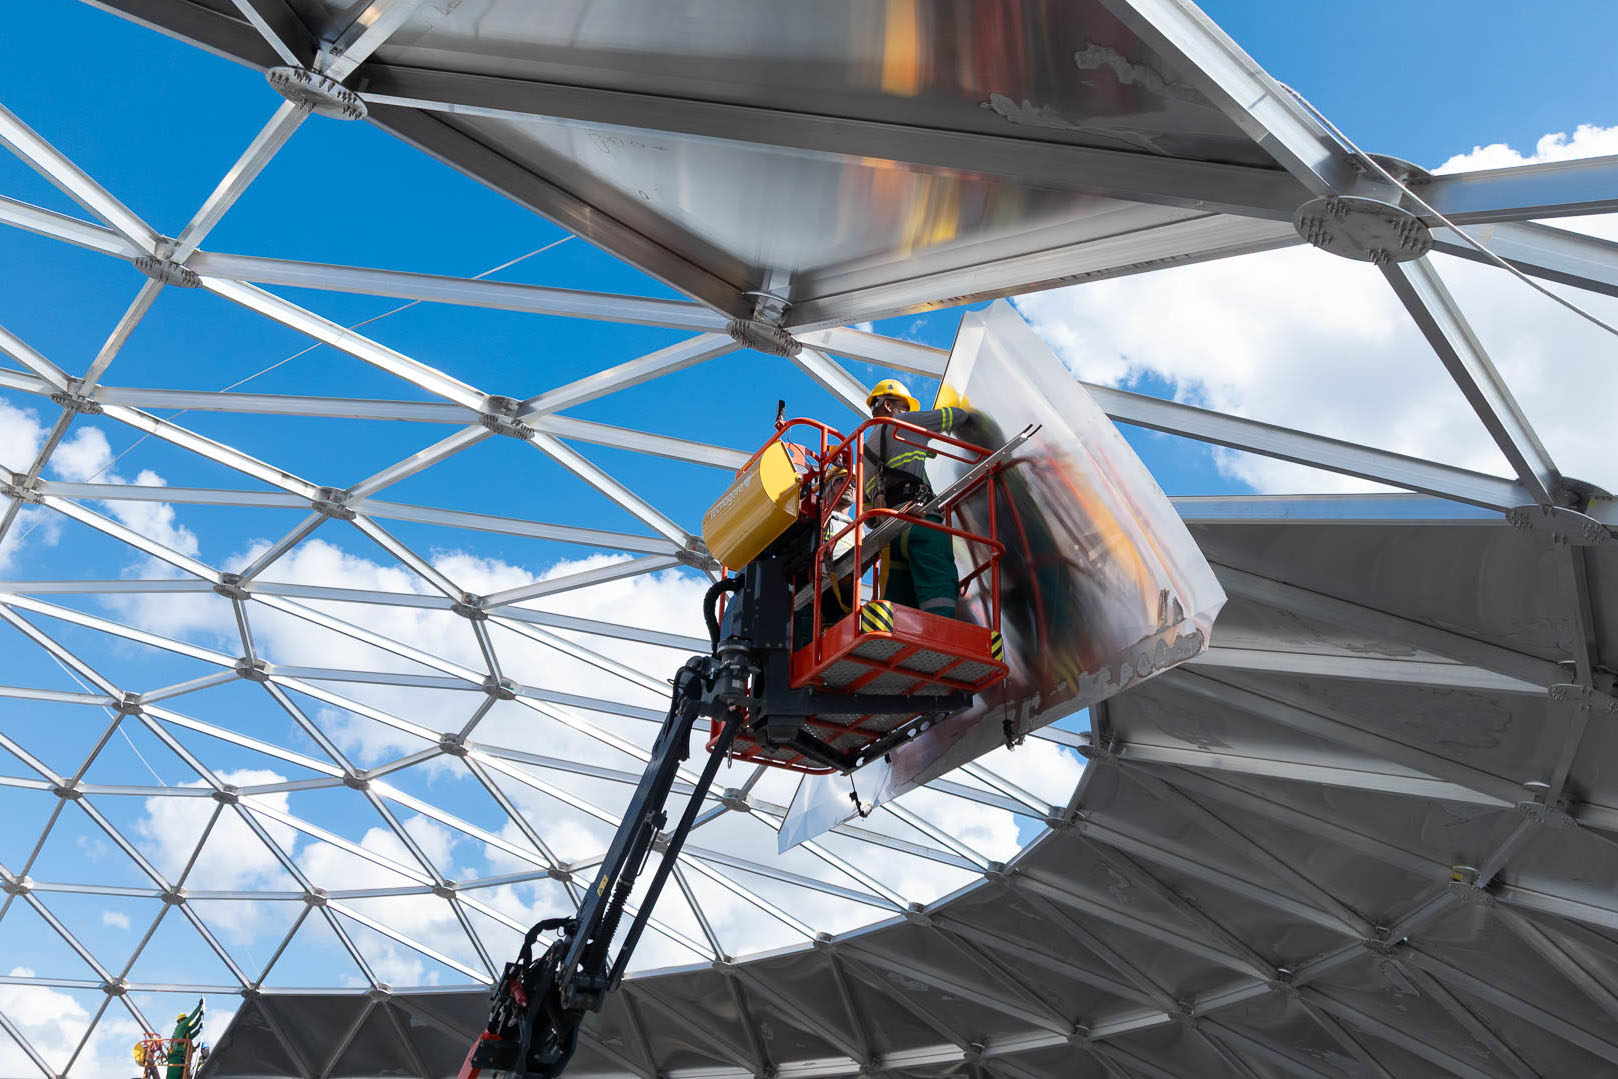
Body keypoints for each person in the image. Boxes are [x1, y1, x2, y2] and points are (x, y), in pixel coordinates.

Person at [861, 379, 980, 619]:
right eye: (904, 406)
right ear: (887, 405)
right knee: (938, 582)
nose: (906, 411)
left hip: (890, 536)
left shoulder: (864, 454)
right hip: (920, 519)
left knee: (900, 604)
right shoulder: (905, 423)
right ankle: (943, 629)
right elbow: (957, 416)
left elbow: (868, 516)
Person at [166, 999, 204, 1079]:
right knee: (174, 1076)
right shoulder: (182, 1026)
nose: (186, 1021)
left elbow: (191, 1034)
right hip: (176, 1056)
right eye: (184, 1019)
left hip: (179, 1057)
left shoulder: (184, 1032)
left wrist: (199, 1022)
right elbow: (191, 1018)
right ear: (182, 1020)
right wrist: (199, 1007)